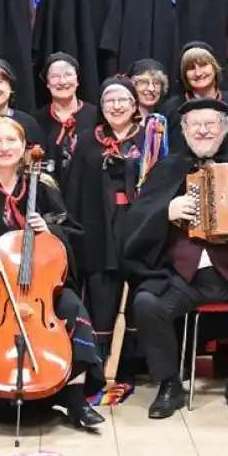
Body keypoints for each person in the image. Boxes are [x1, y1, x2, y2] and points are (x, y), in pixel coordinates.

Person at [0, 116, 106, 443]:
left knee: (73, 308)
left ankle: (74, 398)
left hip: (39, 285)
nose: (4, 148)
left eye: (11, 141)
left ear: (25, 146)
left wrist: (50, 230)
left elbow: (73, 233)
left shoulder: (42, 186)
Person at [122, 97, 228, 419]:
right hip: (182, 276)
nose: (202, 131)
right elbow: (136, 221)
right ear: (184, 130)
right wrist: (168, 211)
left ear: (225, 128)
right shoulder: (166, 168)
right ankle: (169, 384)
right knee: (146, 305)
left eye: (210, 124)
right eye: (195, 125)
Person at [62, 76, 150, 383]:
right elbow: (73, 188)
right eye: (110, 101)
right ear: (101, 106)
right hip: (98, 227)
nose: (116, 106)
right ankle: (99, 364)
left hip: (137, 224)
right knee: (101, 292)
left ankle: (132, 364)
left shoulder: (148, 140)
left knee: (138, 291)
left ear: (134, 105)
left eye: (123, 100)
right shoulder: (88, 140)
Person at [160, 42, 228, 154]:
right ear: (184, 75)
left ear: (214, 67)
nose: (198, 73)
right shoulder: (171, 108)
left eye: (203, 65)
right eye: (191, 68)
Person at [33, 53, 98, 186]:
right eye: (55, 76)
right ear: (47, 83)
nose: (62, 81)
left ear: (77, 80)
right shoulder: (35, 120)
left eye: (68, 75)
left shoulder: (96, 116)